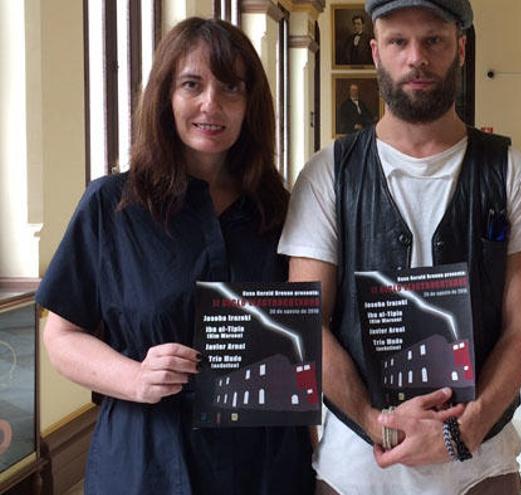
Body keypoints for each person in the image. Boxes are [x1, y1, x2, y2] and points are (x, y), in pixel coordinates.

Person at [279, 0, 521, 493]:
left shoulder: (511, 173)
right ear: (374, 52)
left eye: (433, 39)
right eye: (398, 41)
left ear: (462, 49)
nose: (416, 57)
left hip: (481, 466)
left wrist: (466, 429)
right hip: (358, 471)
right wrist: (374, 420)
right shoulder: (330, 175)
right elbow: (307, 322)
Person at [36, 18, 314, 494]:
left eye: (231, 88)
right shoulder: (112, 206)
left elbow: (307, 333)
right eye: (192, 84)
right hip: (148, 461)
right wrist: (135, 376)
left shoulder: (278, 208)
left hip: (264, 465)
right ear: (165, 95)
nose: (212, 104)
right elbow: (61, 335)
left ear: (251, 105)